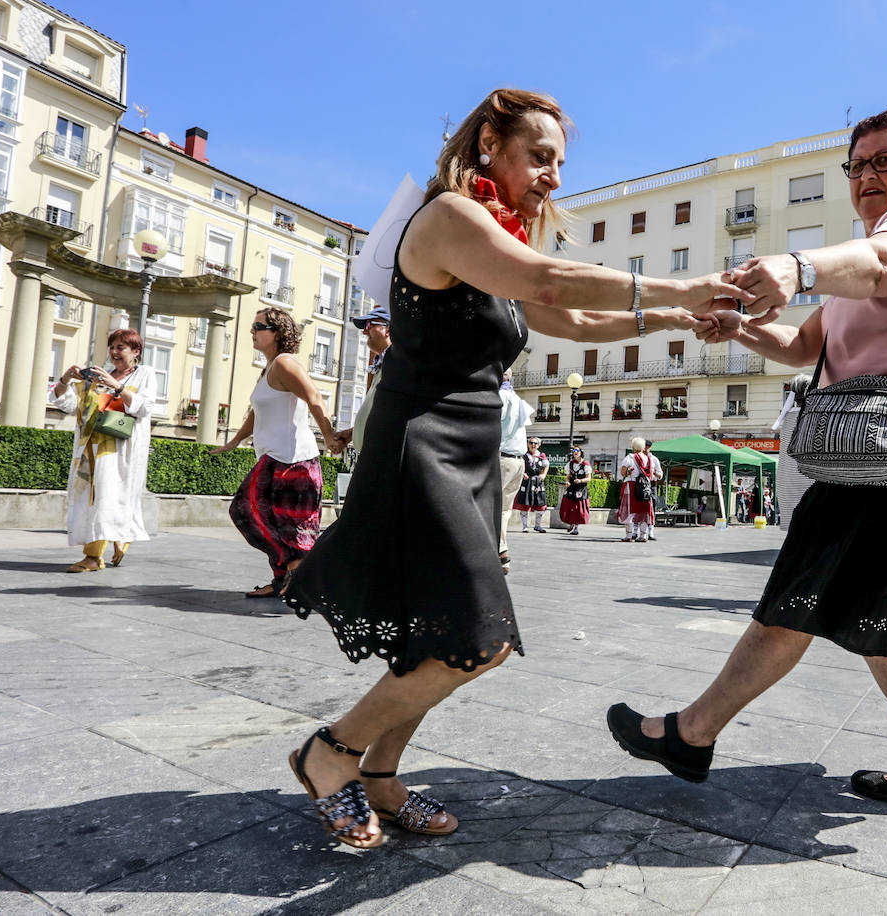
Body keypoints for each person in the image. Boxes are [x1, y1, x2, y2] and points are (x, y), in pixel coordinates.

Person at [277, 88, 751, 848]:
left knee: (435, 631)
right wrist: (681, 285)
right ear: (490, 145)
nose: (553, 175)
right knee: (478, 636)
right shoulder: (451, 219)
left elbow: (575, 319)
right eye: (540, 156)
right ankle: (330, 751)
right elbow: (552, 284)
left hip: (470, 449)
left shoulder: (498, 239)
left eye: (560, 162)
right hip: (420, 444)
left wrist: (677, 317)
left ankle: (381, 775)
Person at [607, 107, 887, 820]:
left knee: (795, 602)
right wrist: (740, 326)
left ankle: (692, 734)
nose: (869, 175)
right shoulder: (867, 263)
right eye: (859, 165)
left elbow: (880, 266)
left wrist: (796, 264)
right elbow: (803, 346)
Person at [211, 308, 343, 598]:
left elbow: (314, 396)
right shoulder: (269, 368)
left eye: (259, 326)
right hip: (275, 458)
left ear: (278, 333)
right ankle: (287, 578)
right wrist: (233, 442)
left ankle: (300, 573)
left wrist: (329, 435)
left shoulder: (284, 363)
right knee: (272, 520)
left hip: (294, 460)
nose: (252, 331)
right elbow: (255, 414)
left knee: (257, 514)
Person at [49, 328, 157, 572]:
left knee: (108, 496)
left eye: (121, 347)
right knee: (94, 498)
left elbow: (145, 406)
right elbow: (67, 405)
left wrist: (116, 387)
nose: (115, 352)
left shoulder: (144, 374)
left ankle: (94, 556)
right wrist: (66, 380)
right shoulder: (100, 376)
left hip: (121, 449)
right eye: (112, 347)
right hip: (92, 446)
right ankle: (117, 540)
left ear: (136, 352)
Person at [334, 305, 393, 459]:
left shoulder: (398, 363)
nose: (365, 331)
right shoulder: (382, 363)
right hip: (370, 455)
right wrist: (354, 433)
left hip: (381, 457)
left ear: (388, 330)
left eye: (369, 325)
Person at [497, 369, 531, 574]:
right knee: (505, 510)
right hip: (519, 460)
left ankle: (501, 550)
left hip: (502, 458)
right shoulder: (518, 398)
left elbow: (492, 426)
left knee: (493, 508)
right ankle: (501, 553)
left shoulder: (499, 396)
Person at [616, 435, 658, 542]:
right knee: (644, 511)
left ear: (633, 447)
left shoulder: (630, 457)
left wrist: (629, 472)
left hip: (631, 485)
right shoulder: (649, 459)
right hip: (645, 487)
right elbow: (651, 474)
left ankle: (629, 535)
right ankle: (643, 535)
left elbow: (623, 473)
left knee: (630, 510)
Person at [513, 437, 550, 532]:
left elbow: (546, 465)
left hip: (538, 481)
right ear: (528, 444)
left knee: (540, 504)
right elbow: (518, 465)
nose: (533, 445)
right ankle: (525, 526)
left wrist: (544, 474)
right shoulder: (523, 455)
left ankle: (538, 525)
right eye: (531, 443)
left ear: (539, 445)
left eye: (535, 443)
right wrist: (522, 473)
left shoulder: (542, 455)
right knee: (525, 503)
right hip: (527, 481)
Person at [558, 445, 592, 534]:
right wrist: (567, 482)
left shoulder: (585, 464)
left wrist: (580, 480)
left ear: (581, 452)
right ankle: (571, 524)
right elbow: (568, 476)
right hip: (572, 488)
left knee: (578, 509)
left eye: (577, 451)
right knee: (568, 506)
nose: (575, 453)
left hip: (581, 489)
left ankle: (576, 528)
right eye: (574, 451)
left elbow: (589, 478)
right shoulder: (570, 463)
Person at [643, 439, 664, 539]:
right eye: (644, 446)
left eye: (647, 447)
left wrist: (654, 472)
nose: (645, 448)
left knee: (652, 507)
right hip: (641, 484)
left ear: (650, 447)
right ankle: (636, 531)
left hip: (651, 484)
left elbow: (660, 475)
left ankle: (651, 531)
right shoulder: (638, 457)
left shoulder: (654, 459)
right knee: (639, 506)